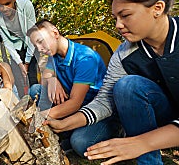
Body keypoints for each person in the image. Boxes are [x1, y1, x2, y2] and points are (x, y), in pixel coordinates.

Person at [52, 0, 179, 165]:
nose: (118, 25)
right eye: (115, 17)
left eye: (125, 16)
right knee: (128, 86)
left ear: (158, 8)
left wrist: (141, 142)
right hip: (161, 114)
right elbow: (105, 101)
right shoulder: (124, 53)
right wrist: (65, 123)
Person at [27, 19, 120, 156]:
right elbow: (46, 72)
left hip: (96, 112)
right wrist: (52, 79)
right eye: (36, 45)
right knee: (36, 89)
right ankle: (63, 130)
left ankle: (113, 130)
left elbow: (75, 103)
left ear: (55, 33)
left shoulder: (85, 57)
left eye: (41, 41)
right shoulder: (54, 55)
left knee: (80, 142)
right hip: (72, 104)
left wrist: (40, 117)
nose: (40, 48)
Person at [0, 0, 38, 97]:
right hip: (16, 48)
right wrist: (20, 64)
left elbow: (32, 34)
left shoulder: (26, 5)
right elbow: (7, 42)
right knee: (18, 78)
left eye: (7, 3)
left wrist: (27, 62)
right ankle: (23, 106)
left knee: (32, 77)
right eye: (0, 5)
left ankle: (39, 107)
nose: (4, 9)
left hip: (31, 45)